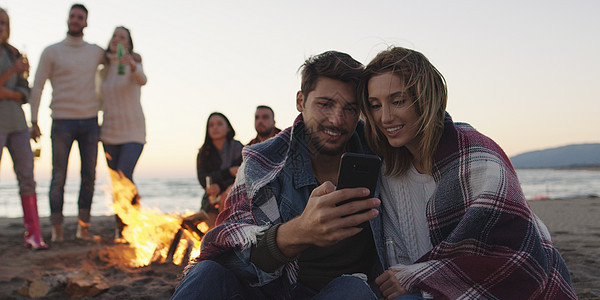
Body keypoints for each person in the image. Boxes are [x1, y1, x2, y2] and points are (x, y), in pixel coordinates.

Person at [359, 46, 576, 299]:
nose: (385, 117)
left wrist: (416, 276)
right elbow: (398, 252)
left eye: (398, 101)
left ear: (426, 99)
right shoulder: (388, 170)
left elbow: (515, 256)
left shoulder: (477, 157)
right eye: (375, 106)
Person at [173, 51, 384, 299]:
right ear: (300, 101)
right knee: (207, 273)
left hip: (339, 291)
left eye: (350, 108)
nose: (337, 120)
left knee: (353, 290)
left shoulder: (383, 153)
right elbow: (226, 256)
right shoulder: (262, 162)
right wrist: (299, 232)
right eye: (325, 104)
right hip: (270, 290)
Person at [29, 3, 105, 242]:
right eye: (72, 16)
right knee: (58, 176)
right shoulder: (51, 51)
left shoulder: (95, 51)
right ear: (67, 19)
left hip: (91, 121)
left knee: (89, 176)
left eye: (80, 17)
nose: (75, 20)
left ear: (86, 22)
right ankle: (57, 229)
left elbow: (118, 56)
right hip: (61, 121)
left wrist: (135, 56)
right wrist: (33, 119)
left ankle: (83, 227)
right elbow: (38, 86)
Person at [0, 7, 48, 250]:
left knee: (27, 178)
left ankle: (34, 234)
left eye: (5, 23)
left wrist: (7, 92)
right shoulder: (14, 62)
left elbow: (26, 93)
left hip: (18, 125)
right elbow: (17, 89)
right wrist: (12, 72)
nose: (2, 27)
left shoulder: (14, 52)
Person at [99, 26, 147, 240]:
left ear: (128, 43)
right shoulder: (103, 68)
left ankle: (132, 224)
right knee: (116, 182)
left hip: (133, 131)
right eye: (114, 36)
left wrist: (132, 65)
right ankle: (121, 228)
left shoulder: (133, 63)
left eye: (122, 37)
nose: (117, 40)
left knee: (124, 175)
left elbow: (143, 79)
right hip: (109, 131)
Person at [195, 112, 243, 228]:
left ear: (228, 128)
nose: (215, 127)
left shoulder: (238, 148)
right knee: (209, 231)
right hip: (211, 199)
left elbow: (242, 175)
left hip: (236, 196)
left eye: (219, 124)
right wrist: (228, 172)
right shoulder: (204, 152)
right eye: (211, 125)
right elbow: (204, 179)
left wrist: (220, 186)